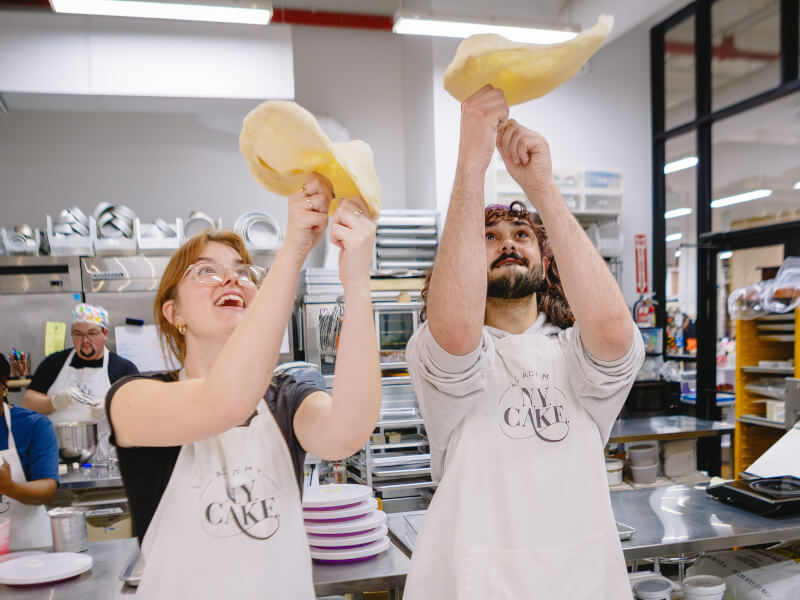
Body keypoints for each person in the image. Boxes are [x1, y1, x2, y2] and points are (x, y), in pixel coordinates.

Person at [403, 86, 644, 599]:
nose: (507, 241)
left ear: (546, 261)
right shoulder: (436, 350)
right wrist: (472, 162)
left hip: (582, 579)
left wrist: (542, 190)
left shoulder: (573, 355)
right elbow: (456, 333)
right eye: (488, 236)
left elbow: (615, 333)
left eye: (522, 233)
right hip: (474, 580)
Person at [106, 174, 381, 600]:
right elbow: (227, 403)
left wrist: (358, 284)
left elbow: (347, 434)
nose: (231, 280)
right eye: (206, 271)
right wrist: (294, 248)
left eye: (243, 272)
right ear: (173, 311)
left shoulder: (287, 397)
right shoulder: (132, 398)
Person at [23, 303, 138, 438]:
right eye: (78, 334)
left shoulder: (123, 368)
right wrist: (53, 402)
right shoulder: (54, 362)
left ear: (105, 333)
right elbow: (28, 404)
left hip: (106, 452)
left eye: (92, 333)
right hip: (59, 450)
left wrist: (110, 407)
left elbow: (139, 408)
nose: (85, 340)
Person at [0, 354, 59, 550]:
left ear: (3, 386)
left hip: (29, 550)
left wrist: (9, 487)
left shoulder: (33, 425)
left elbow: (46, 490)